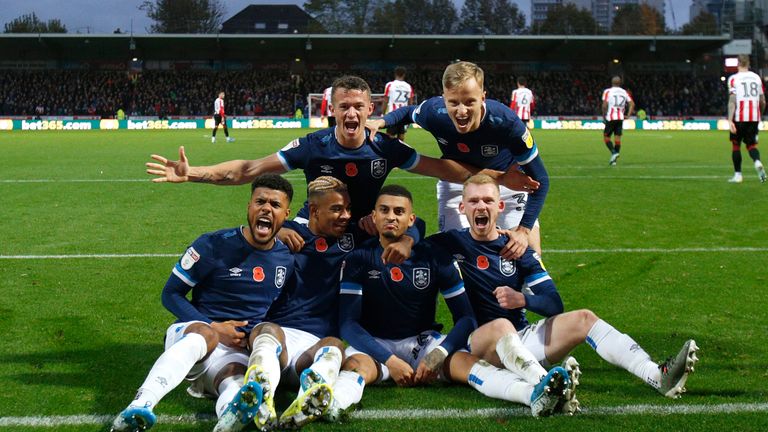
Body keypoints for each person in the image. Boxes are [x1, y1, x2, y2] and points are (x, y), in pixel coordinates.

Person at [145, 75, 537, 253]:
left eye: (358, 107)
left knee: (409, 244)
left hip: (368, 232)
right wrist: (192, 173)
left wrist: (502, 177)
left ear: (371, 110)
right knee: (272, 247)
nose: (351, 114)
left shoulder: (385, 147)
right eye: (343, 107)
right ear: (331, 110)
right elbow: (248, 170)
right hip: (316, 232)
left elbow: (442, 168)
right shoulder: (312, 146)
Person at [428, 174, 700, 401]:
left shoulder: (517, 249)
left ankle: (656, 375)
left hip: (521, 339)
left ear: (500, 206)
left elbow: (553, 304)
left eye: (488, 200)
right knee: (500, 325)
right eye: (473, 201)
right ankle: (542, 383)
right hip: (478, 343)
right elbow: (411, 238)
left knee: (584, 319)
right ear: (462, 208)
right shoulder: (448, 243)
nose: (481, 207)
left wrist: (523, 300)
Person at [336, 185, 573, 419]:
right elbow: (348, 324)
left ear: (411, 220)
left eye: (399, 212)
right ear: (374, 216)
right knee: (355, 369)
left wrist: (439, 353)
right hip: (376, 344)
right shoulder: (358, 258)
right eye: (384, 210)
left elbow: (466, 318)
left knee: (472, 366)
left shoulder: (435, 255)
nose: (391, 217)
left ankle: (534, 394)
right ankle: (331, 405)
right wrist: (390, 361)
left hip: (423, 343)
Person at [110, 174, 295, 432]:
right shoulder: (212, 245)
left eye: (275, 205)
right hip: (193, 337)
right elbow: (171, 294)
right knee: (205, 335)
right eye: (260, 201)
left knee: (234, 384)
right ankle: (139, 405)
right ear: (249, 207)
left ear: (286, 214)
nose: (266, 208)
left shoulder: (285, 260)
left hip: (236, 351)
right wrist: (213, 326)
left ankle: (228, 421)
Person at [214, 176, 356, 432]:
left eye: (348, 209)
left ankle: (309, 397)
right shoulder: (285, 233)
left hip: (313, 345)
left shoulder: (352, 238)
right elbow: (252, 233)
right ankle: (261, 397)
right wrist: (278, 231)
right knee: (267, 331)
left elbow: (415, 226)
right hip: (277, 334)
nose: (345, 216)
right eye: (337, 209)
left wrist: (408, 236)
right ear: (313, 211)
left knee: (335, 346)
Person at [366, 61, 546, 258]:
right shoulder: (434, 112)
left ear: (483, 97)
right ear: (444, 99)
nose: (461, 111)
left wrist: (523, 231)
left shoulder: (507, 123)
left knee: (529, 255)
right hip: (456, 184)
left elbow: (541, 180)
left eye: (470, 102)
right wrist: (381, 121)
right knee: (456, 258)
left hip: (507, 186)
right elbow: (408, 112)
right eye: (453, 102)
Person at [726, 54, 767, 183]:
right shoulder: (756, 78)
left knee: (736, 145)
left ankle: (738, 175)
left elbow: (732, 101)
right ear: (749, 64)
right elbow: (763, 101)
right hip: (754, 117)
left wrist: (730, 119)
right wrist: (760, 114)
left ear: (738, 63)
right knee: (751, 145)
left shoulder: (733, 79)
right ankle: (757, 162)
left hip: (740, 117)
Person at [601, 76, 634, 166]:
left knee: (606, 137)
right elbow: (632, 104)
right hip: (620, 118)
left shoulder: (607, 91)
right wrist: (628, 115)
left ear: (612, 82)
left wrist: (604, 116)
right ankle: (614, 161)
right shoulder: (624, 92)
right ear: (620, 83)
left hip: (611, 117)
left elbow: (604, 105)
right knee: (617, 139)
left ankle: (613, 152)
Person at [382, 66, 414, 140]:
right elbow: (411, 104)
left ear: (395, 74)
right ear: (404, 74)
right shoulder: (408, 86)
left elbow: (385, 100)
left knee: (389, 137)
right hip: (404, 114)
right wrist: (409, 117)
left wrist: (383, 113)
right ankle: (400, 151)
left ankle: (389, 151)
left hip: (393, 114)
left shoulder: (390, 85)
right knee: (401, 136)